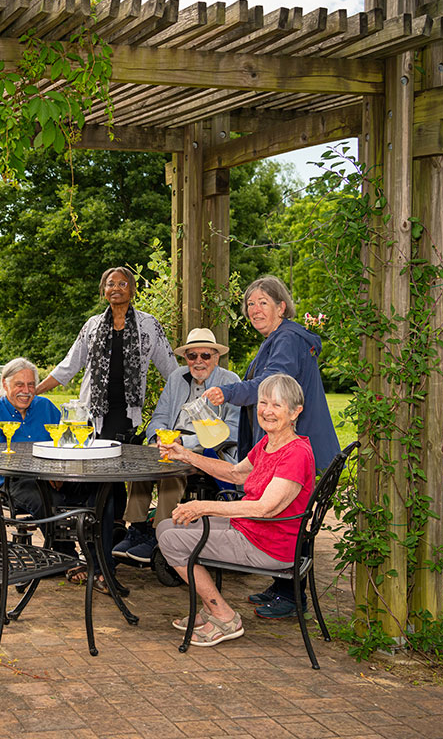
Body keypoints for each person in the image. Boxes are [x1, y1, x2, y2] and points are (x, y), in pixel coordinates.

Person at [202, 275, 339, 620]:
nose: (254, 309)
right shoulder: (280, 338)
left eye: (263, 302)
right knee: (288, 514)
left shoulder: (288, 339)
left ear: (281, 307)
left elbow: (273, 386)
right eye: (250, 304)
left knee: (296, 516)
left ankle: (292, 594)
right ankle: (281, 585)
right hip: (288, 444)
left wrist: (230, 392)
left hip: (296, 445)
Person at [35, 266, 178, 578]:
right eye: (110, 283)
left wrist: (190, 397)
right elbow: (68, 366)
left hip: (126, 415)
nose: (116, 288)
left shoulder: (149, 326)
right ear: (103, 291)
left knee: (112, 475)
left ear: (132, 290)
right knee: (101, 478)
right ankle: (104, 544)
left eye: (123, 283)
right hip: (92, 415)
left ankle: (108, 542)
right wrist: (35, 389)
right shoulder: (91, 326)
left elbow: (171, 368)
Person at [156, 374, 314, 647]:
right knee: (165, 527)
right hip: (252, 530)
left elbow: (266, 509)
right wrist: (185, 455)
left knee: (172, 539)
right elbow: (234, 473)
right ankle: (210, 605)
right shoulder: (269, 443)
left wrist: (203, 507)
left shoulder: (295, 453)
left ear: (295, 411)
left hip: (270, 544)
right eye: (263, 402)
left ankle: (223, 616)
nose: (266, 411)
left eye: (277, 405)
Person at [112, 327, 242, 563]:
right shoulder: (177, 378)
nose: (198, 361)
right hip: (172, 440)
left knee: (171, 465)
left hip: (208, 450)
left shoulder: (229, 382)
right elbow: (159, 416)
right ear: (186, 358)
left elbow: (233, 429)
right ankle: (138, 528)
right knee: (142, 462)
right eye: (192, 356)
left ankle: (161, 533)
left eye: (205, 355)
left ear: (216, 356)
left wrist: (185, 443)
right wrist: (158, 438)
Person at [0, 357, 61, 520]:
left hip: (52, 478)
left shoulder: (46, 407)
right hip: (10, 483)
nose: (26, 390)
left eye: (31, 384)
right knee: (48, 500)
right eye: (19, 384)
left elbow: (64, 444)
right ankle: (61, 546)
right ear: (5, 384)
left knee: (100, 492)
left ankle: (102, 544)